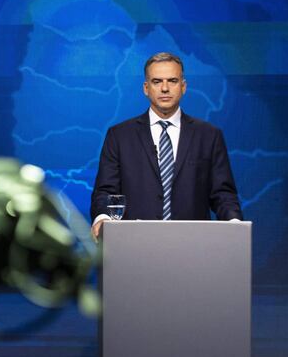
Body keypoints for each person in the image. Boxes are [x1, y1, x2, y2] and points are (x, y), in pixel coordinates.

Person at [90, 52, 242, 240]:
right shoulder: (119, 136)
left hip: (193, 245)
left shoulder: (209, 136)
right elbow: (106, 191)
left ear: (183, 86)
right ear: (146, 88)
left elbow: (223, 193)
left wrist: (235, 226)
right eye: (156, 81)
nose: (164, 88)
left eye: (172, 81)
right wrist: (103, 218)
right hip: (134, 245)